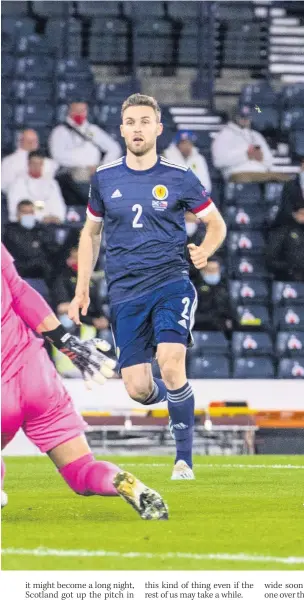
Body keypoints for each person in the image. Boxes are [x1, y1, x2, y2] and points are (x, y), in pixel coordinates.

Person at [68, 94, 227, 481]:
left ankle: (183, 461)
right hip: (125, 292)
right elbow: (90, 234)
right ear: (121, 130)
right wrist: (82, 288)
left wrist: (204, 251)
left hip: (171, 281)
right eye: (130, 122)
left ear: (157, 128)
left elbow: (217, 224)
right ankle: (179, 399)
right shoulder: (105, 178)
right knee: (138, 388)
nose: (137, 128)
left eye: (144, 121)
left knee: (172, 363)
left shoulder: (180, 176)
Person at [1, 244, 168, 519]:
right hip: (36, 375)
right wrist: (66, 343)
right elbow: (20, 292)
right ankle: (119, 480)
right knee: (81, 470)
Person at [49, 101, 122, 204]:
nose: (79, 113)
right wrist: (86, 166)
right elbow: (58, 155)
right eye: (76, 111)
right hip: (73, 171)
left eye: (82, 111)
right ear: (69, 111)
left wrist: (101, 166)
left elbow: (114, 148)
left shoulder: (92, 130)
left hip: (95, 170)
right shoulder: (60, 131)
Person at [2, 200, 59, 293]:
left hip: (42, 272)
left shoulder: (41, 230)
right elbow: (25, 251)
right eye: (25, 212)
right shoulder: (10, 231)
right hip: (21, 270)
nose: (28, 215)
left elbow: (53, 249)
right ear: (18, 214)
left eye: (31, 212)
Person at [266, 200, 304, 286]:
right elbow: (271, 258)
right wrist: (289, 267)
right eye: (303, 214)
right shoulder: (282, 232)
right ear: (295, 214)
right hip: (287, 277)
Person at [211, 105, 274, 180]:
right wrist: (246, 156)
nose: (245, 119)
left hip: (260, 173)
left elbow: (269, 160)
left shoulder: (256, 135)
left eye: (247, 117)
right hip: (236, 173)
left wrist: (261, 158)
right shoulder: (224, 135)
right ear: (235, 117)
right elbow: (218, 161)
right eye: (242, 117)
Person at [7, 150, 66, 223]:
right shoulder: (17, 184)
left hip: (49, 223)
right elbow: (16, 209)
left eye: (39, 164)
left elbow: (58, 205)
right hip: (25, 224)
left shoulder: (52, 184)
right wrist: (41, 218)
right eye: (33, 163)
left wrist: (57, 217)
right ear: (28, 164)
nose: (36, 167)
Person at [1, 128, 58, 194]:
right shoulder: (8, 162)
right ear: (21, 141)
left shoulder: (49, 162)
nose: (32, 144)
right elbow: (4, 185)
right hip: (19, 197)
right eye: (28, 141)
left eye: (34, 141)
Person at [193, 258, 235, 333]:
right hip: (198, 329)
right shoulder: (194, 289)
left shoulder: (224, 289)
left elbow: (229, 312)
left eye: (215, 269)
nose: (212, 273)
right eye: (209, 270)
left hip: (220, 332)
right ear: (202, 271)